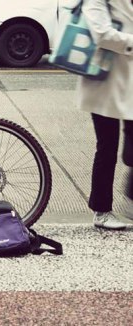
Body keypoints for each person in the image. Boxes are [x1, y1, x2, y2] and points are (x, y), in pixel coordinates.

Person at [79, 0, 133, 230]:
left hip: (127, 81)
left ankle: (131, 194)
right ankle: (101, 211)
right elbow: (101, 33)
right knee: (107, 146)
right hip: (103, 81)